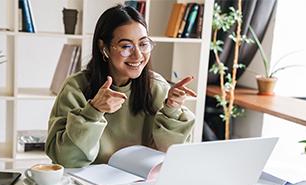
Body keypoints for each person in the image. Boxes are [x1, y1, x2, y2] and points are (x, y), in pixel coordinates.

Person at [46, 4, 196, 168]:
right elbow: (64, 159)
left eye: (143, 44)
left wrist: (172, 109)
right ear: (104, 48)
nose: (138, 55)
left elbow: (174, 154)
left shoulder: (157, 87)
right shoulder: (76, 88)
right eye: (126, 46)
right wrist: (93, 111)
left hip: (140, 184)